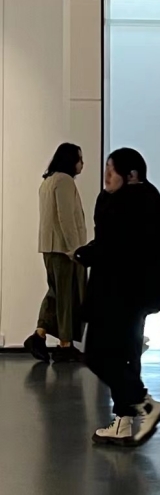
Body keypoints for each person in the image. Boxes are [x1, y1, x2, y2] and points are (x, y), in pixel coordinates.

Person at [76, 148, 160, 446]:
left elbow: (117, 245)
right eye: (106, 167)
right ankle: (123, 422)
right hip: (131, 293)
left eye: (113, 169)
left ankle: (145, 406)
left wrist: (88, 253)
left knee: (99, 355)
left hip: (118, 293)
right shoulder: (135, 196)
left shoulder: (131, 199)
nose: (106, 175)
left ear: (131, 174)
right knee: (125, 357)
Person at [25, 143, 88, 364]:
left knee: (55, 294)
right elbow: (66, 218)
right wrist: (75, 249)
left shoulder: (48, 181)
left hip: (51, 248)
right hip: (63, 250)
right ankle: (64, 345)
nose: (82, 164)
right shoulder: (64, 181)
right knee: (66, 296)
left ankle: (39, 335)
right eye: (79, 159)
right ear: (70, 160)